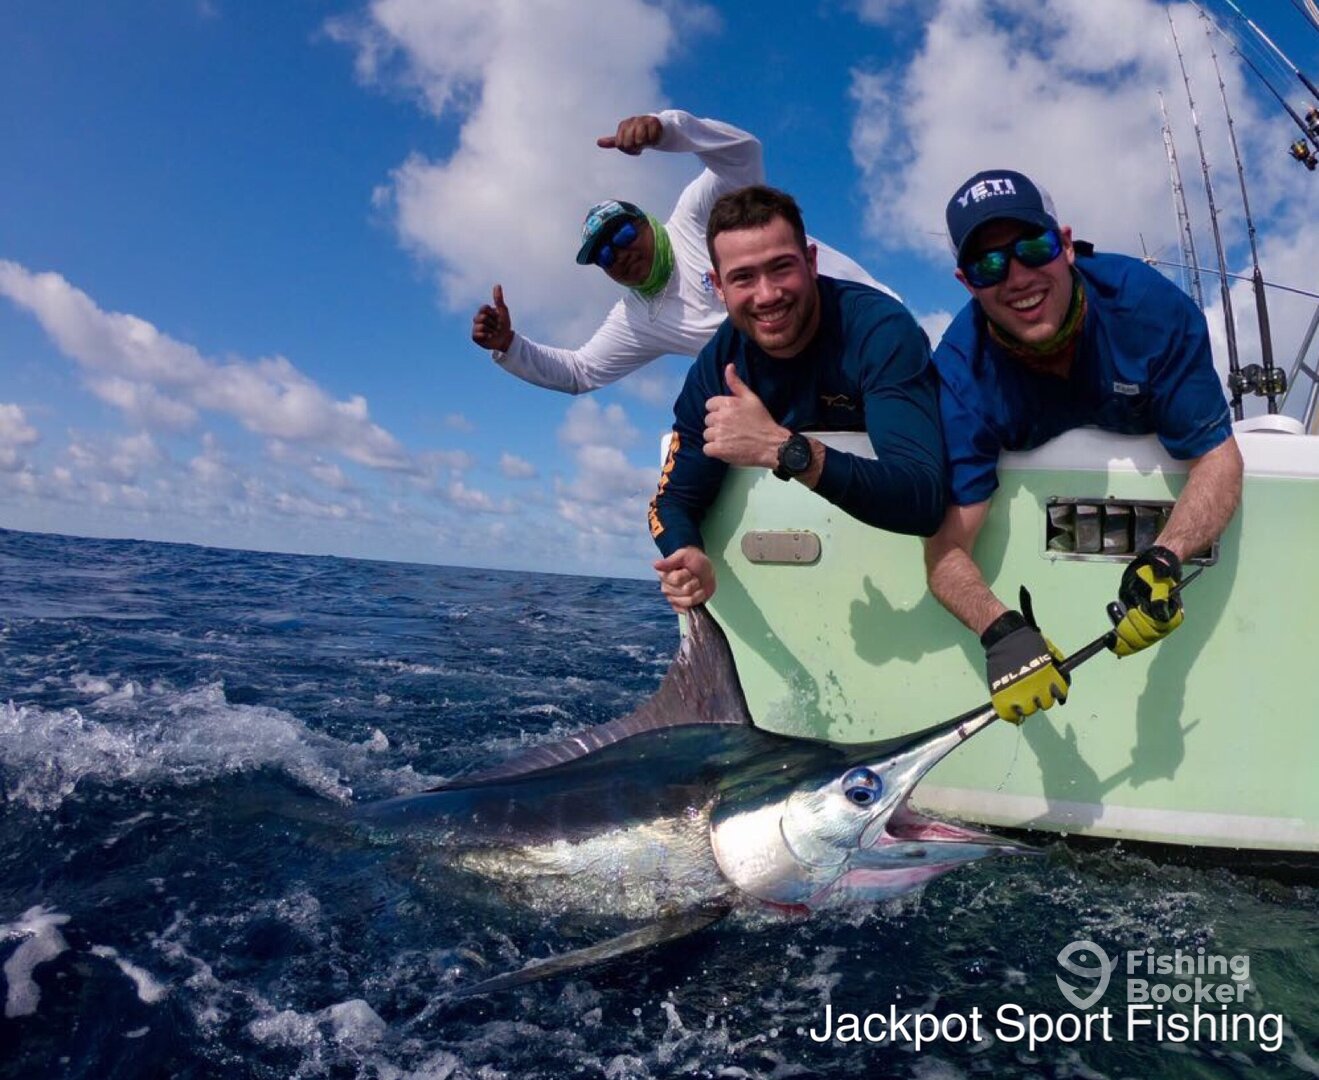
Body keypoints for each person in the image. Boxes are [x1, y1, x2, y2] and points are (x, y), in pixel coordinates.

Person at [923, 169, 1244, 723]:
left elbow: (1217, 456)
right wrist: (998, 628)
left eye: (1033, 248)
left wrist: (1165, 557)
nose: (1017, 277)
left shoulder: (1150, 309)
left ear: (1066, 244)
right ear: (965, 282)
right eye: (988, 265)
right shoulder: (958, 372)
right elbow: (945, 550)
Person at [648, 185, 946, 612]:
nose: (767, 294)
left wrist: (782, 449)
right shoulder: (718, 367)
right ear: (718, 286)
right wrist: (686, 550)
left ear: (811, 262)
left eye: (781, 267)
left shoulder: (879, 332)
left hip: (906, 580)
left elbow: (924, 499)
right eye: (743, 277)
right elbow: (672, 500)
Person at [470, 110, 895, 395]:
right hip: (826, 385)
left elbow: (743, 153)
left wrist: (666, 128)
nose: (619, 254)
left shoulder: (695, 214)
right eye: (604, 256)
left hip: (873, 328)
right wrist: (509, 345)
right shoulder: (637, 318)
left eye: (623, 234)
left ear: (648, 220)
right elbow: (580, 372)